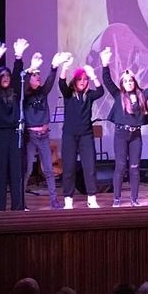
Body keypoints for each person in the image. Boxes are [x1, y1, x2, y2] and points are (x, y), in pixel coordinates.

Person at [100, 46, 148, 206]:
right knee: (120, 166)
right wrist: (105, 64)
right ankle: (116, 199)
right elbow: (107, 81)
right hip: (121, 134)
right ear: (122, 84)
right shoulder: (118, 95)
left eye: (130, 80)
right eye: (125, 81)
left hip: (135, 135)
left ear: (134, 82)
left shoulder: (142, 95)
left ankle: (134, 199)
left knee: (134, 167)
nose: (128, 83)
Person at [23, 51, 70, 210]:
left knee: (49, 170)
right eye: (35, 76)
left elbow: (50, 81)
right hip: (30, 136)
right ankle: (21, 201)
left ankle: (54, 200)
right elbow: (21, 82)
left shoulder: (42, 92)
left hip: (44, 136)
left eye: (38, 75)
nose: (38, 77)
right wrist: (30, 69)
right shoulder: (25, 95)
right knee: (28, 169)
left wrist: (54, 66)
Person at [59, 54, 105, 209]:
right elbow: (61, 83)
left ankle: (92, 198)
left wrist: (93, 75)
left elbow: (101, 91)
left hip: (86, 135)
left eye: (85, 80)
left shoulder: (89, 95)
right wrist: (65, 67)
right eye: (80, 79)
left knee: (90, 167)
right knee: (69, 168)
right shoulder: (68, 94)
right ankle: (68, 200)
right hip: (70, 136)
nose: (83, 82)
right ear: (75, 81)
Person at [0, 39, 26, 212]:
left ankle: (17, 207)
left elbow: (18, 78)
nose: (5, 79)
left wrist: (18, 58)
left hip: (14, 135)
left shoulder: (15, 93)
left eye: (7, 76)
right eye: (2, 76)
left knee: (16, 173)